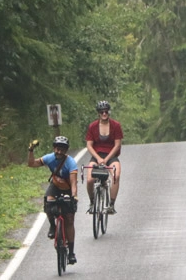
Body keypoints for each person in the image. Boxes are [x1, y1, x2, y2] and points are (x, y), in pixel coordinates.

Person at [28, 136, 79, 265]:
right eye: (57, 149)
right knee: (48, 203)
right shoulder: (49, 158)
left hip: (67, 188)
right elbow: (32, 164)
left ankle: (71, 252)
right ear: (54, 148)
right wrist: (30, 151)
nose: (59, 152)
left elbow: (73, 183)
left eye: (62, 150)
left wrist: (74, 196)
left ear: (66, 150)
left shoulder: (71, 163)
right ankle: (52, 225)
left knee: (69, 219)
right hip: (55, 186)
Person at [85, 100, 123, 214]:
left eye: (106, 111)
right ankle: (92, 202)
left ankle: (111, 204)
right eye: (102, 112)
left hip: (111, 155)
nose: (104, 114)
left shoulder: (116, 125)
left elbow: (117, 145)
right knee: (90, 179)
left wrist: (106, 160)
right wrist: (98, 158)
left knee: (116, 175)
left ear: (109, 112)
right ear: (98, 113)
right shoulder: (93, 126)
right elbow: (89, 145)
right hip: (97, 156)